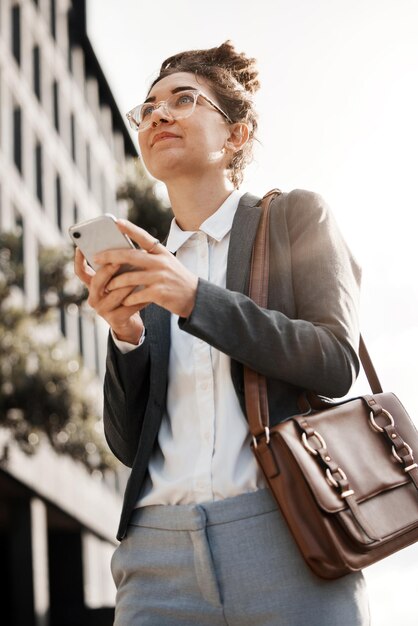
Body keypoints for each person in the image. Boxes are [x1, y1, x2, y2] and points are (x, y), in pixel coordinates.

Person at [74, 41, 369, 626]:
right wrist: (126, 334)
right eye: (149, 107)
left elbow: (335, 360)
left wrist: (194, 298)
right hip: (157, 557)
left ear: (235, 136)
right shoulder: (148, 264)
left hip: (287, 538)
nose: (159, 114)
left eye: (185, 99)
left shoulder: (294, 219)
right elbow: (131, 446)